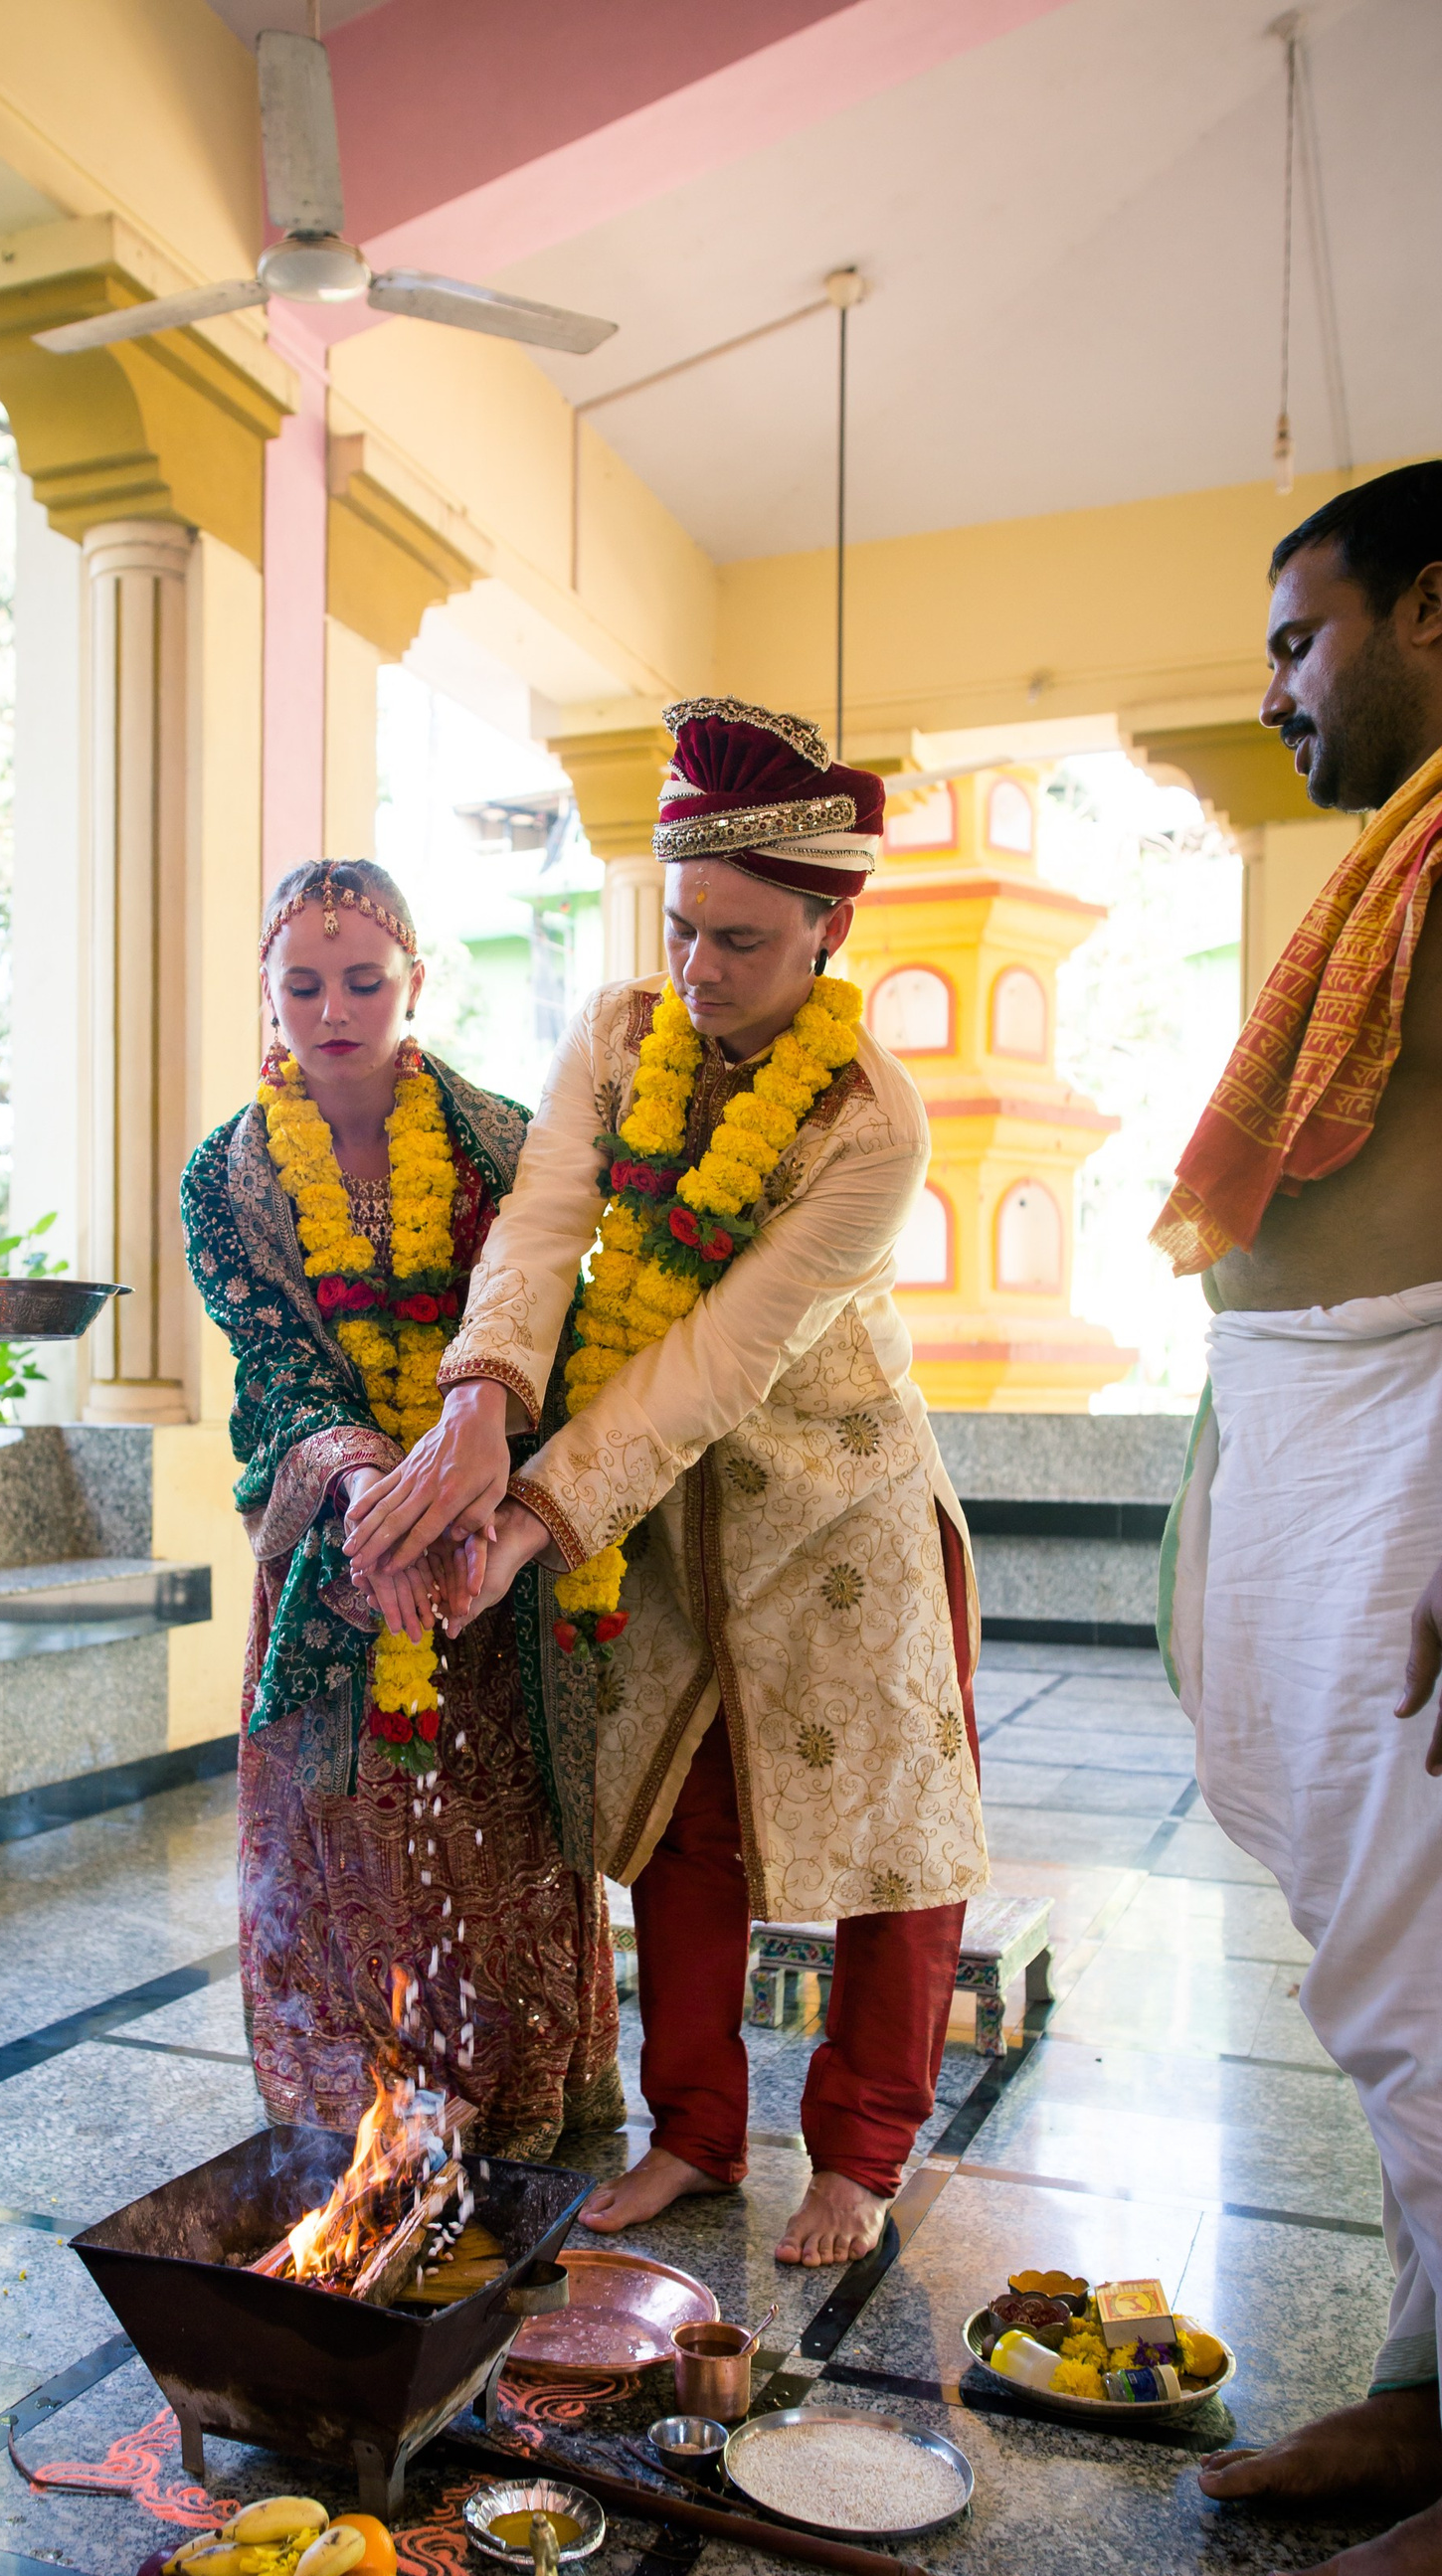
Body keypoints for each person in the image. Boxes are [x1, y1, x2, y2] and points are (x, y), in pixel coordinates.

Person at [346, 704, 988, 2266]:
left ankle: (861, 2155)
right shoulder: (620, 1032)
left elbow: (720, 1359)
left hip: (839, 1496)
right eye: (682, 929)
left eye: (741, 942)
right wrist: (483, 1401)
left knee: (894, 1839)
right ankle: (695, 2133)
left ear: (830, 933)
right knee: (682, 1823)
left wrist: (527, 1520)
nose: (698, 969)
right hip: (654, 1502)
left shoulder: (871, 1122)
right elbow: (547, 1220)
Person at [1156, 463, 1442, 2576]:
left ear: (1431, 607)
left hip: (1419, 1435)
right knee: (1384, 1965)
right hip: (1335, 1429)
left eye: (1297, 639)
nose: (1272, 692)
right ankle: (1429, 2397)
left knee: (1437, 1974)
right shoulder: (1404, 856)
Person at [179, 858, 621, 2158]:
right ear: (267, 992)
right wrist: (372, 1497)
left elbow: (545, 1327)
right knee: (347, 1815)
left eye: (364, 981)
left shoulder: (499, 1143)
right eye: (304, 985)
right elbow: (277, 1362)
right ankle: (357, 2104)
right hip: (339, 1543)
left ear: (414, 981)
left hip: (486, 1544)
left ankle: (520, 2088)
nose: (334, 1010)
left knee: (502, 1824)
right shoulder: (227, 1175)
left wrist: (473, 1504)